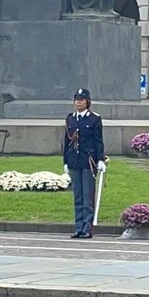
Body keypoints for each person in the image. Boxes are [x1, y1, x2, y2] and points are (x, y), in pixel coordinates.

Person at [62, 88, 105, 239]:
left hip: (88, 161)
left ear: (87, 102)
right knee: (78, 197)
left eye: (81, 100)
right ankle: (78, 227)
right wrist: (65, 161)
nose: (78, 102)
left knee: (88, 197)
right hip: (74, 160)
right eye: (77, 100)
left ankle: (87, 228)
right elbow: (66, 142)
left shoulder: (94, 119)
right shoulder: (70, 119)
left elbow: (98, 140)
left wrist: (100, 159)